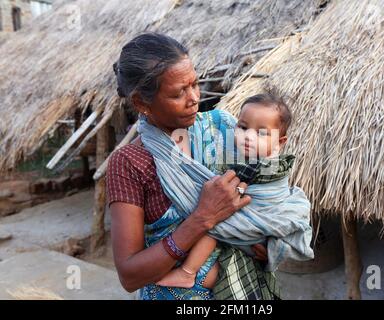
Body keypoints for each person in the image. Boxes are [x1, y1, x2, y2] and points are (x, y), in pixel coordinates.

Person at [107, 32, 281, 300]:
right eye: (179, 93)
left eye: (195, 84)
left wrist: (264, 238)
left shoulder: (222, 128)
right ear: (142, 103)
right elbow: (130, 275)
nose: (194, 98)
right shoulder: (130, 163)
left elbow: (264, 185)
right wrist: (202, 218)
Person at [156, 93, 312, 289]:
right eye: (243, 127)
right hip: (255, 234)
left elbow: (235, 195)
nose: (248, 137)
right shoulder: (242, 153)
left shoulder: (260, 164)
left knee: (211, 227)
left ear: (280, 142)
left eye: (261, 133)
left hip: (261, 222)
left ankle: (187, 272)